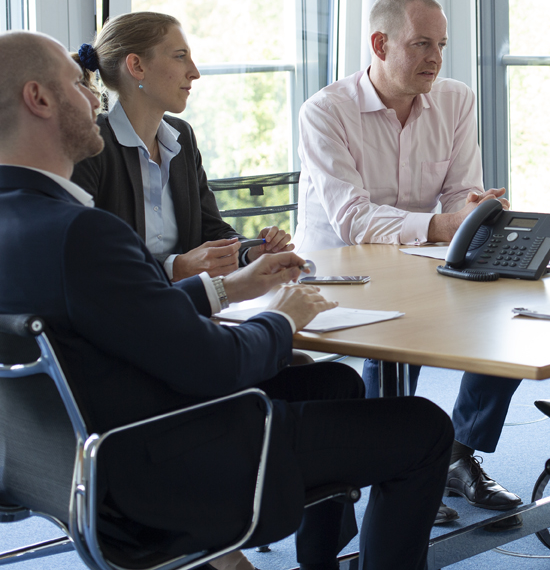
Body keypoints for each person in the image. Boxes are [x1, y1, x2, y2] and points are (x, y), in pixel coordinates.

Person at [0, 30, 454, 570]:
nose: (94, 96)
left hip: (68, 461)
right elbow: (217, 364)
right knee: (426, 427)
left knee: (336, 382)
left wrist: (225, 288)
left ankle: (320, 560)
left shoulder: (29, 223)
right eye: (78, 84)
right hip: (167, 464)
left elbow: (124, 316)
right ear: (40, 99)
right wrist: (282, 320)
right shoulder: (83, 233)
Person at [293, 0, 520, 526]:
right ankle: (396, 467)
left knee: (505, 304)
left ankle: (458, 452)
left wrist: (473, 211)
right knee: (404, 331)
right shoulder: (325, 112)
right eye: (422, 44)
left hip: (421, 258)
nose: (436, 58)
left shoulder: (456, 100)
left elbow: (460, 193)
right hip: (341, 270)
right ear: (380, 43)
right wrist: (447, 224)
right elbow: (355, 220)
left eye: (441, 45)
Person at [71, 11, 292, 282]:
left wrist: (249, 251)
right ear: (137, 66)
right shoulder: (90, 147)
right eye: (180, 56)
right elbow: (87, 258)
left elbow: (210, 230)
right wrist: (173, 268)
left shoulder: (182, 136)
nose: (195, 72)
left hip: (190, 306)